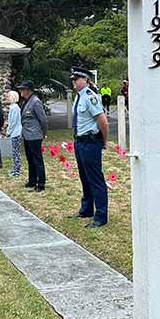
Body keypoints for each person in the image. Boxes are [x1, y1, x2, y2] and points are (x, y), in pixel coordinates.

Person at [67, 67, 110, 228]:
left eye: (77, 78)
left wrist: (104, 141)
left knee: (95, 179)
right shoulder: (79, 97)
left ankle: (100, 215)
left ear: (85, 80)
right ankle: (86, 209)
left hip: (91, 142)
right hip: (79, 141)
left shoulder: (91, 97)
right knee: (84, 177)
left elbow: (103, 122)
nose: (74, 81)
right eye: (73, 79)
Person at [18, 80, 47, 192]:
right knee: (30, 159)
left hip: (35, 135)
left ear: (28, 90)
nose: (20, 91)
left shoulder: (35, 102)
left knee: (37, 160)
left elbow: (43, 119)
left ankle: (41, 183)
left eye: (22, 89)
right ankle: (32, 180)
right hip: (27, 135)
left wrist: (43, 133)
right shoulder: (26, 101)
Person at [4, 89, 22, 177]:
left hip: (16, 132)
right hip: (15, 132)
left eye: (8, 96)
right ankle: (15, 169)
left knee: (16, 152)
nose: (7, 98)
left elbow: (13, 122)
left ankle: (17, 170)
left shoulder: (14, 108)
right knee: (15, 152)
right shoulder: (13, 107)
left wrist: (8, 131)